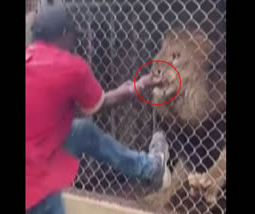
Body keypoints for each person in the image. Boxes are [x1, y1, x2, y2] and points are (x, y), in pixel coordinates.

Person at [26, 5, 171, 214]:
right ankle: (149, 169)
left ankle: (150, 168)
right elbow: (98, 105)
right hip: (34, 177)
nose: (76, 43)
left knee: (82, 130)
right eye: (74, 36)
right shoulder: (71, 67)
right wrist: (135, 88)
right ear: (65, 35)